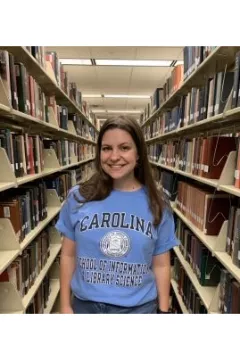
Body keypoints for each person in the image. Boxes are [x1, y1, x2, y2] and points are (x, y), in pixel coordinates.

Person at [55, 115, 179, 314]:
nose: (114, 157)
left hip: (138, 310)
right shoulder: (78, 198)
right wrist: (64, 306)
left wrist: (163, 311)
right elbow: (68, 255)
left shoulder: (158, 204)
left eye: (124, 148)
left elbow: (162, 265)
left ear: (138, 153)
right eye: (106, 148)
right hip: (85, 307)